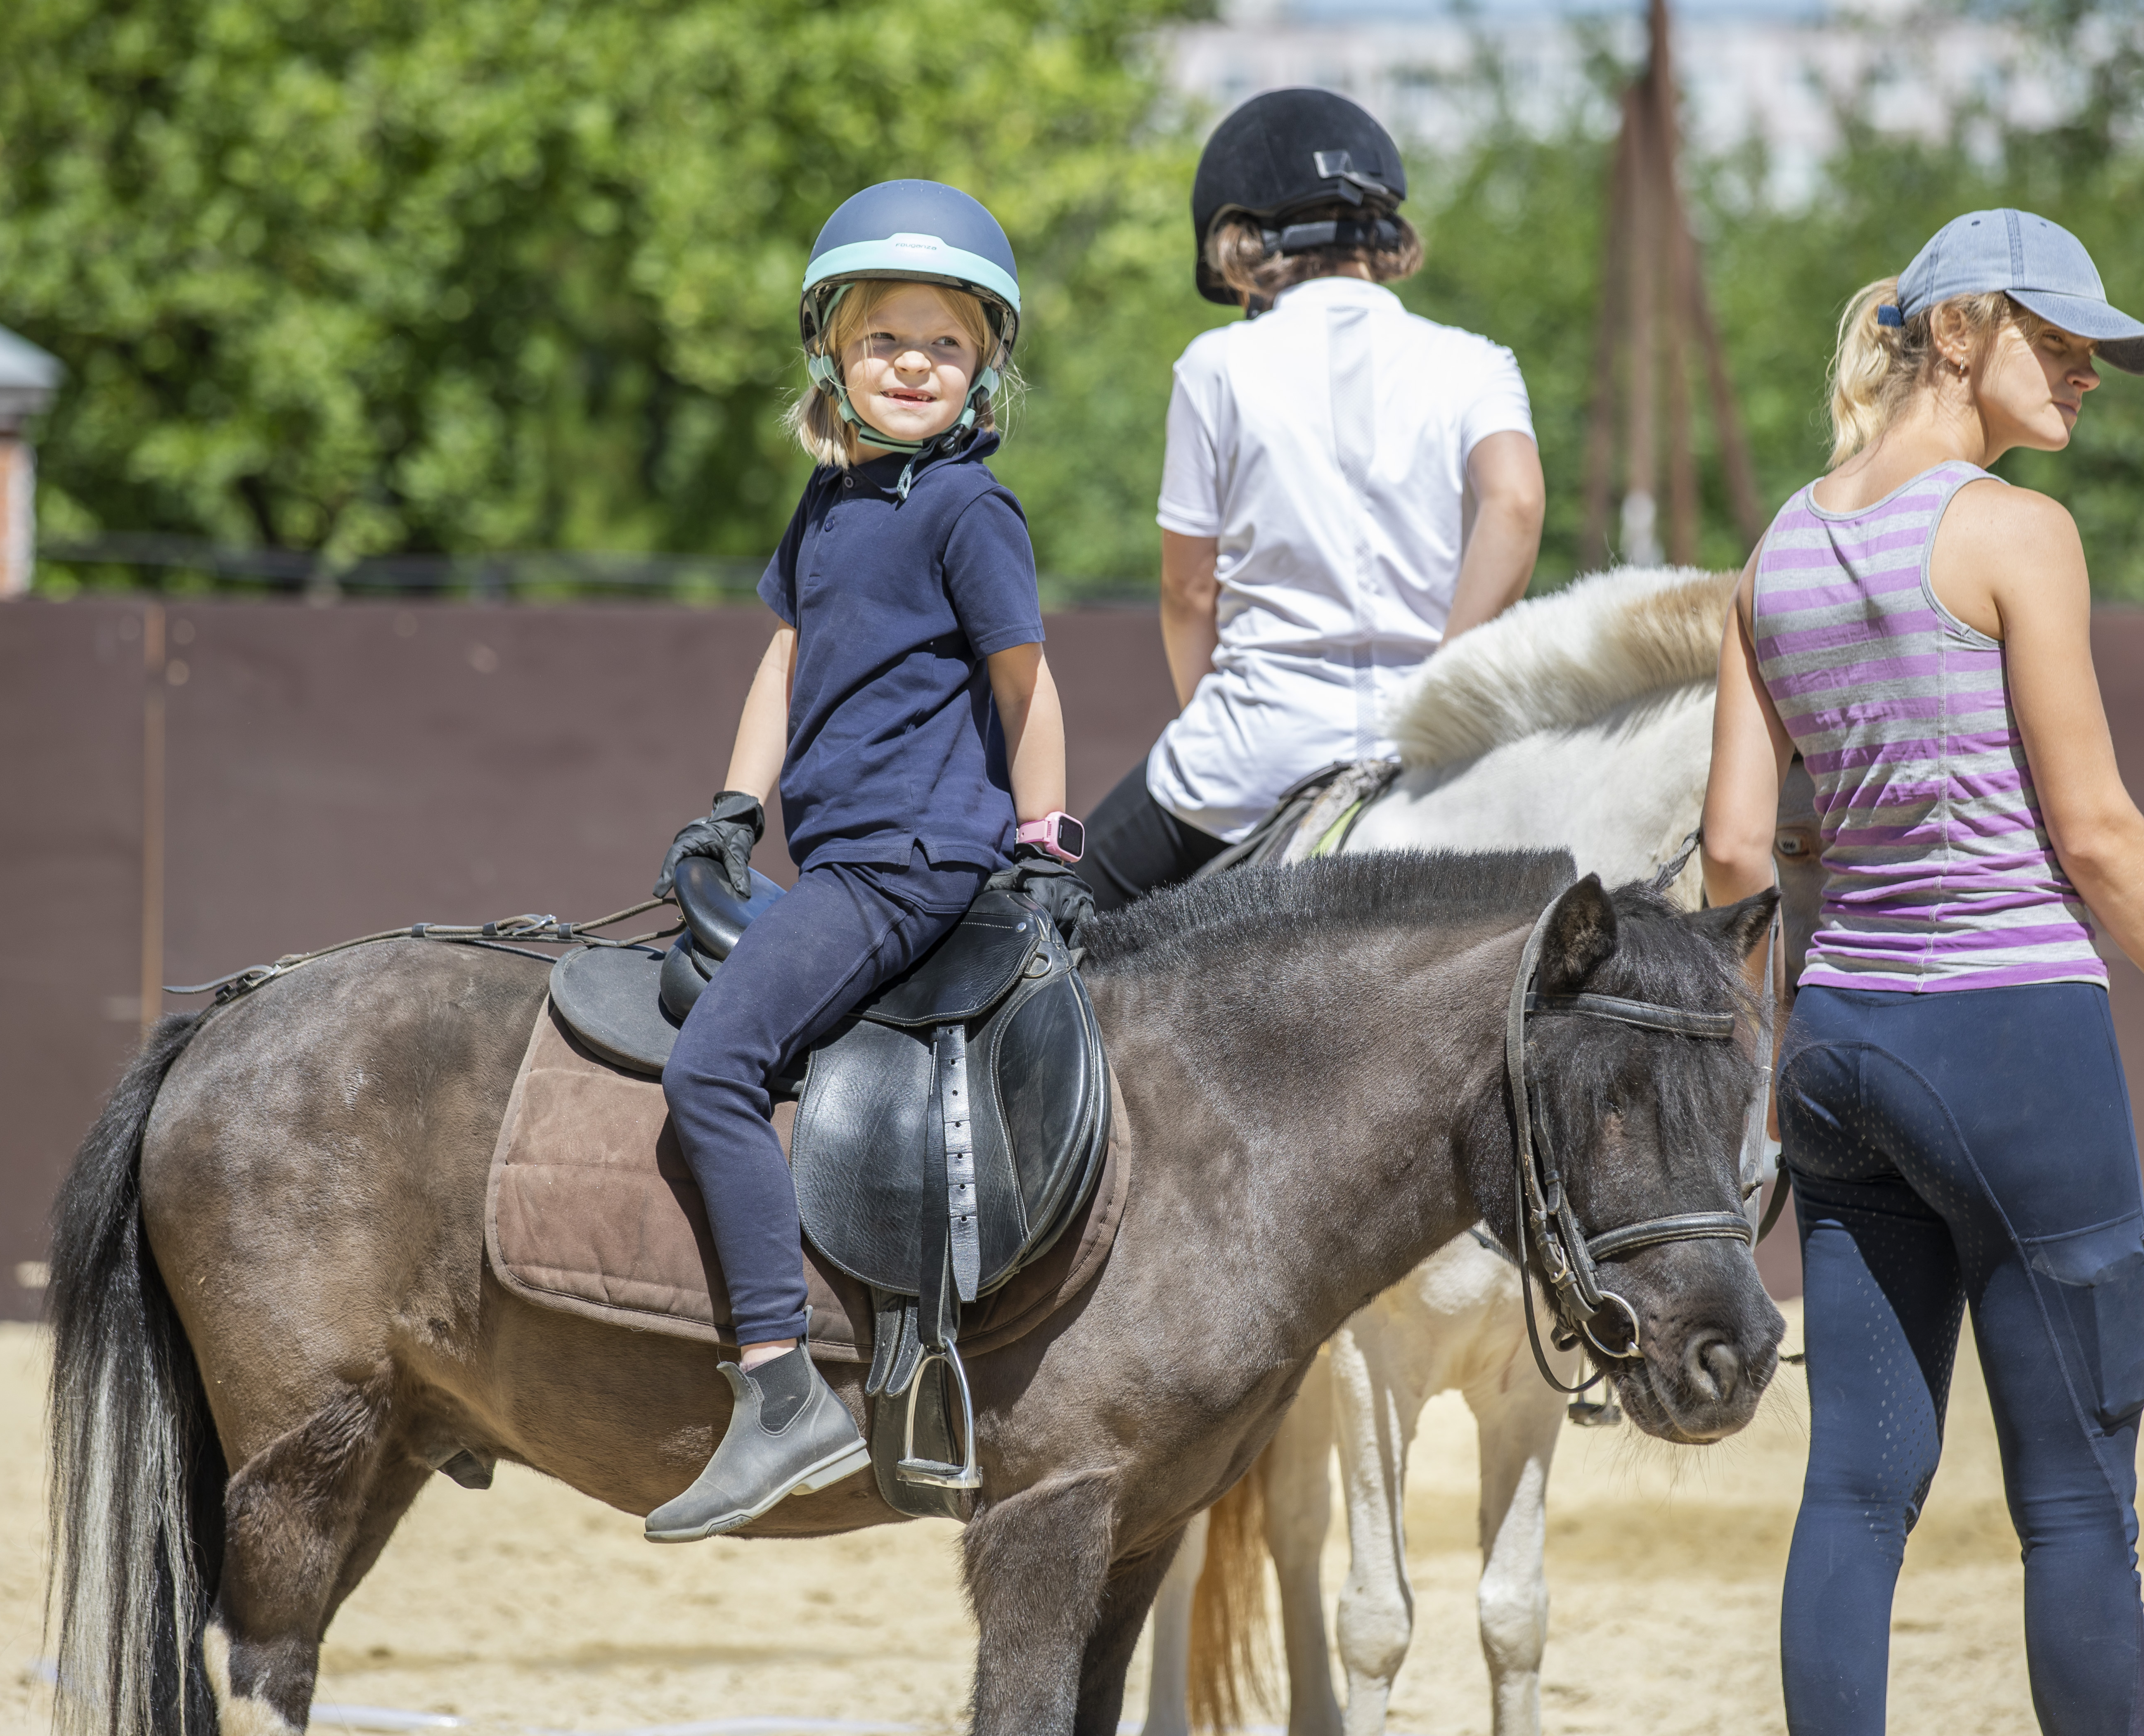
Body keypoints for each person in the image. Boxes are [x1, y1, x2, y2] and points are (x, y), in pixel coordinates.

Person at [1699, 209, 2144, 1733]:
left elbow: (1728, 855)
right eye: (2058, 342)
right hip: (2009, 1038)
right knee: (2070, 1495)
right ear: (1962, 328)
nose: (2086, 374)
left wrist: (1789, 1031)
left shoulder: (1771, 549)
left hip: (1839, 1044)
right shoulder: (2011, 532)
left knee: (1852, 1485)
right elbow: (2095, 834)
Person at [643, 180, 1092, 1544]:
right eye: (886, 337)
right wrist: (732, 803)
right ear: (832, 352)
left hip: (900, 866)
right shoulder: (828, 502)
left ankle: (777, 1390)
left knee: (709, 1067)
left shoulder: (969, 513)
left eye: (944, 344)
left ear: (985, 368)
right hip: (832, 853)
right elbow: (783, 660)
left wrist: (1041, 842)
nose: (912, 363)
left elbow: (1028, 685)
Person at [1075, 87, 1546, 909]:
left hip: (1251, 757)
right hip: (1430, 752)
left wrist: (1210, 715)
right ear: (1381, 231)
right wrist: (1438, 686)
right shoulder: (1476, 362)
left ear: (1243, 239)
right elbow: (1514, 504)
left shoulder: (1215, 366)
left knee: (1049, 923)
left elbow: (1188, 589)